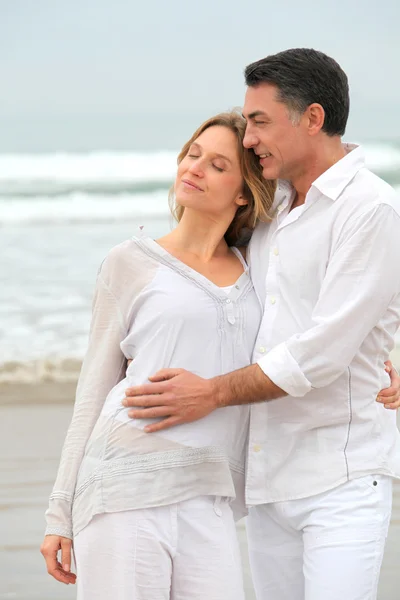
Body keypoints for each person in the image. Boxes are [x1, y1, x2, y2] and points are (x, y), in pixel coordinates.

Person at [123, 49, 400, 600]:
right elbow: (219, 288)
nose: (249, 138)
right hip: (266, 477)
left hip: (341, 476)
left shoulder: (370, 209)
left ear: (313, 118)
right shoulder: (269, 205)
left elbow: (320, 352)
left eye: (260, 122)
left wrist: (213, 393)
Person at [40, 111, 277, 599]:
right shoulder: (129, 261)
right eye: (192, 155)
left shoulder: (261, 267)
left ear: (243, 191)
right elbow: (94, 389)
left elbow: (315, 336)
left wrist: (375, 363)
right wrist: (58, 510)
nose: (194, 168)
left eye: (216, 164)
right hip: (121, 488)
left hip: (210, 497)